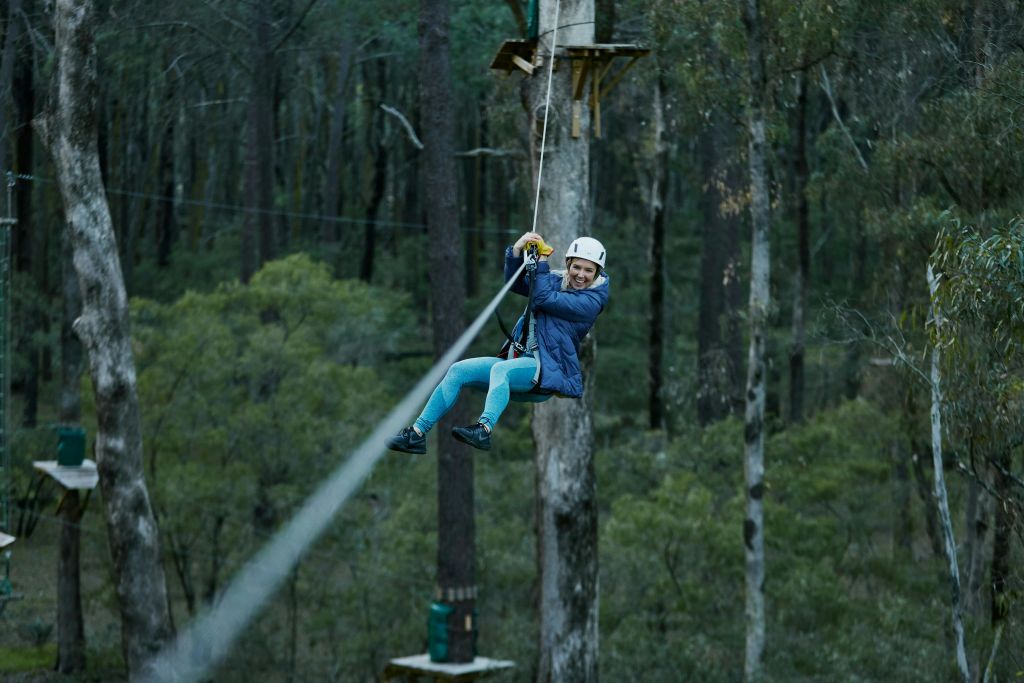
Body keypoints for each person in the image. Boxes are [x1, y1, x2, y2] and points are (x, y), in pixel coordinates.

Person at [386, 231, 610, 453]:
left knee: (500, 370)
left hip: (547, 371)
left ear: (597, 272)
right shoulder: (555, 281)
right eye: (577, 267)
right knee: (458, 370)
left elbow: (542, 298)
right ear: (568, 264)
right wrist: (516, 251)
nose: (581, 275)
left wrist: (541, 264)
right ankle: (416, 434)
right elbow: (516, 285)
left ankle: (484, 429)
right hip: (522, 362)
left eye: (589, 270)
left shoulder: (591, 301)